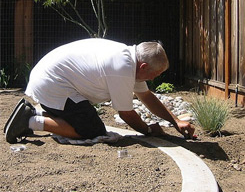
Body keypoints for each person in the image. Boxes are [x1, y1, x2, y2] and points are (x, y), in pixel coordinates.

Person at [4, 38, 195, 144]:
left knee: (86, 120)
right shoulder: (122, 68)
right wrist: (148, 130)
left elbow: (146, 97)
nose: (154, 78)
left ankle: (35, 112)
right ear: (144, 66)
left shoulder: (129, 59)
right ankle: (30, 121)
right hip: (53, 85)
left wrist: (175, 121)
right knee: (91, 130)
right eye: (155, 74)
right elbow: (126, 114)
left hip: (50, 82)